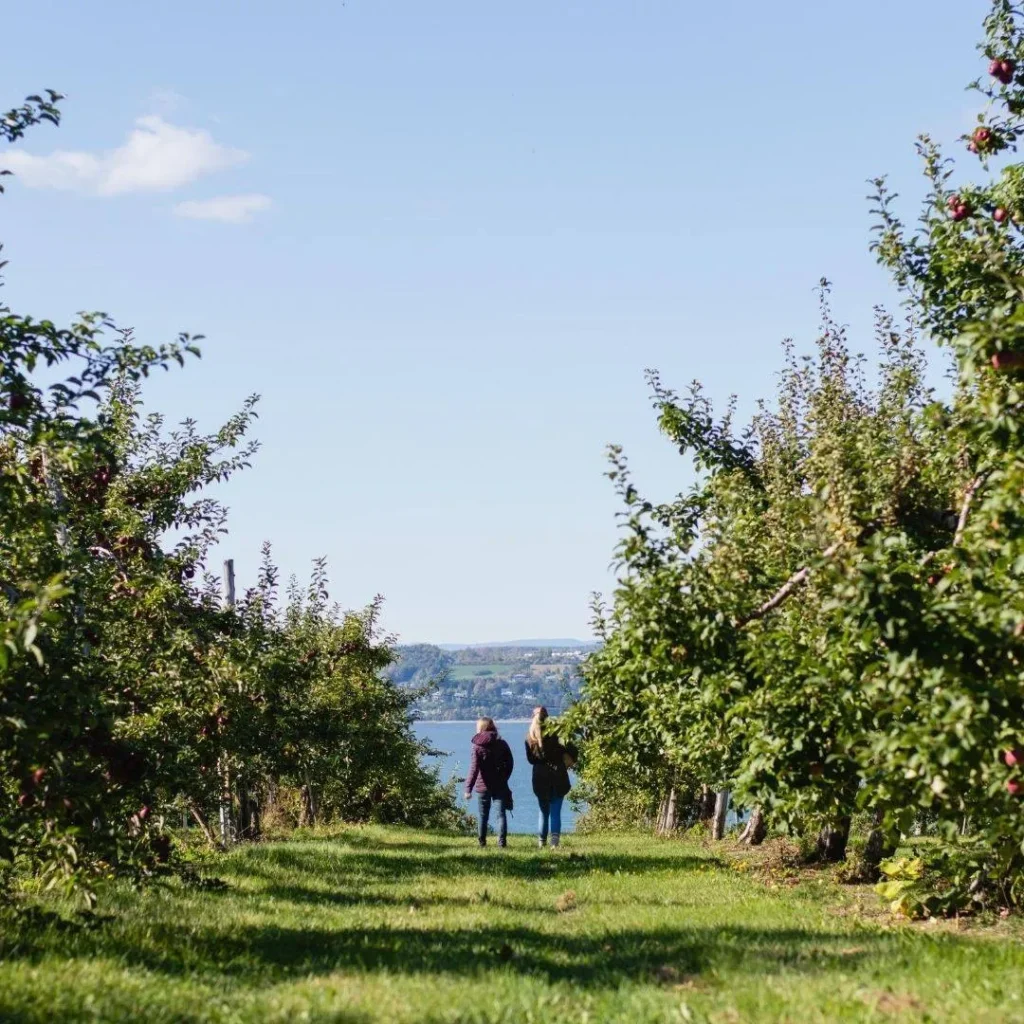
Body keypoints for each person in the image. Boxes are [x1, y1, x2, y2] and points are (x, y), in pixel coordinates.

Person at [525, 705, 577, 848]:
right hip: (558, 775)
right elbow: (572, 749)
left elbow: (531, 760)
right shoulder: (557, 734)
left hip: (540, 777)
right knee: (555, 812)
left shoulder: (530, 738)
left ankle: (542, 842)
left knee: (543, 812)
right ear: (548, 717)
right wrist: (567, 760)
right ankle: (554, 843)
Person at [463, 717, 514, 848]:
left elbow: (474, 768)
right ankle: (502, 843)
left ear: (481, 728)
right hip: (500, 785)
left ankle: (482, 843)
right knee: (500, 815)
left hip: (482, 785)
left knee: (482, 815)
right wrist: (504, 777)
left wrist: (468, 788)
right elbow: (510, 764)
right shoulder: (502, 744)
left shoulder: (477, 746)